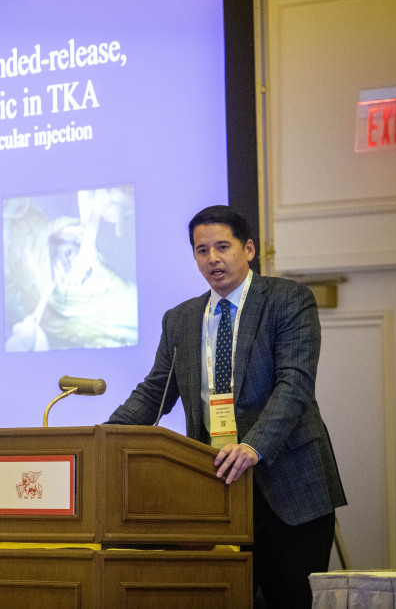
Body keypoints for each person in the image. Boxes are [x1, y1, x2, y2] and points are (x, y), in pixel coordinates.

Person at [106, 205, 346, 607]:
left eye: (222, 247)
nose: (212, 259)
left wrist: (253, 446)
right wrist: (104, 438)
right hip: (216, 489)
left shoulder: (288, 300)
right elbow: (154, 393)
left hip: (289, 485)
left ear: (248, 249)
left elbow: (294, 384)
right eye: (202, 250)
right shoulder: (180, 319)